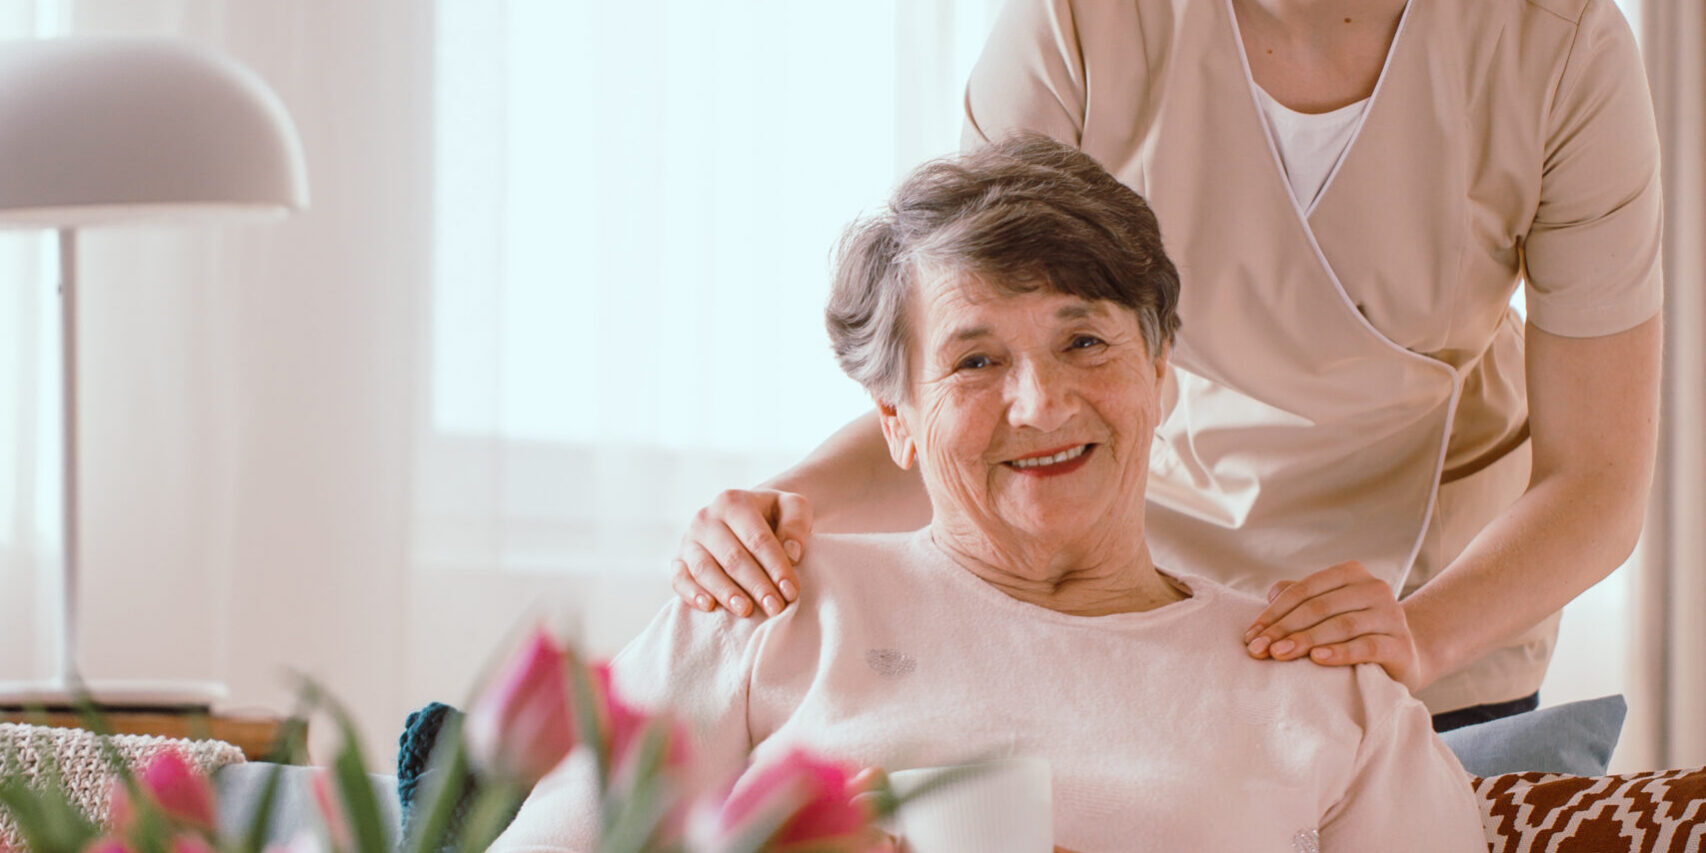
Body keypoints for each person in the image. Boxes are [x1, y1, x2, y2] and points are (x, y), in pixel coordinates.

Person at [668, 0, 1663, 729]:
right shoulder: (1077, 24)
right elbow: (973, 381)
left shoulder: (1557, 45)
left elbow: (1596, 476)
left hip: (1434, 619)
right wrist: (774, 508)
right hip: (1131, 612)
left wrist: (1418, 636)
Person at [493, 137, 1487, 852]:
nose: (1039, 402)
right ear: (895, 418)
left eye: (1083, 341)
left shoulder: (1322, 686)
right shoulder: (764, 608)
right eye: (974, 360)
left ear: (1158, 370)